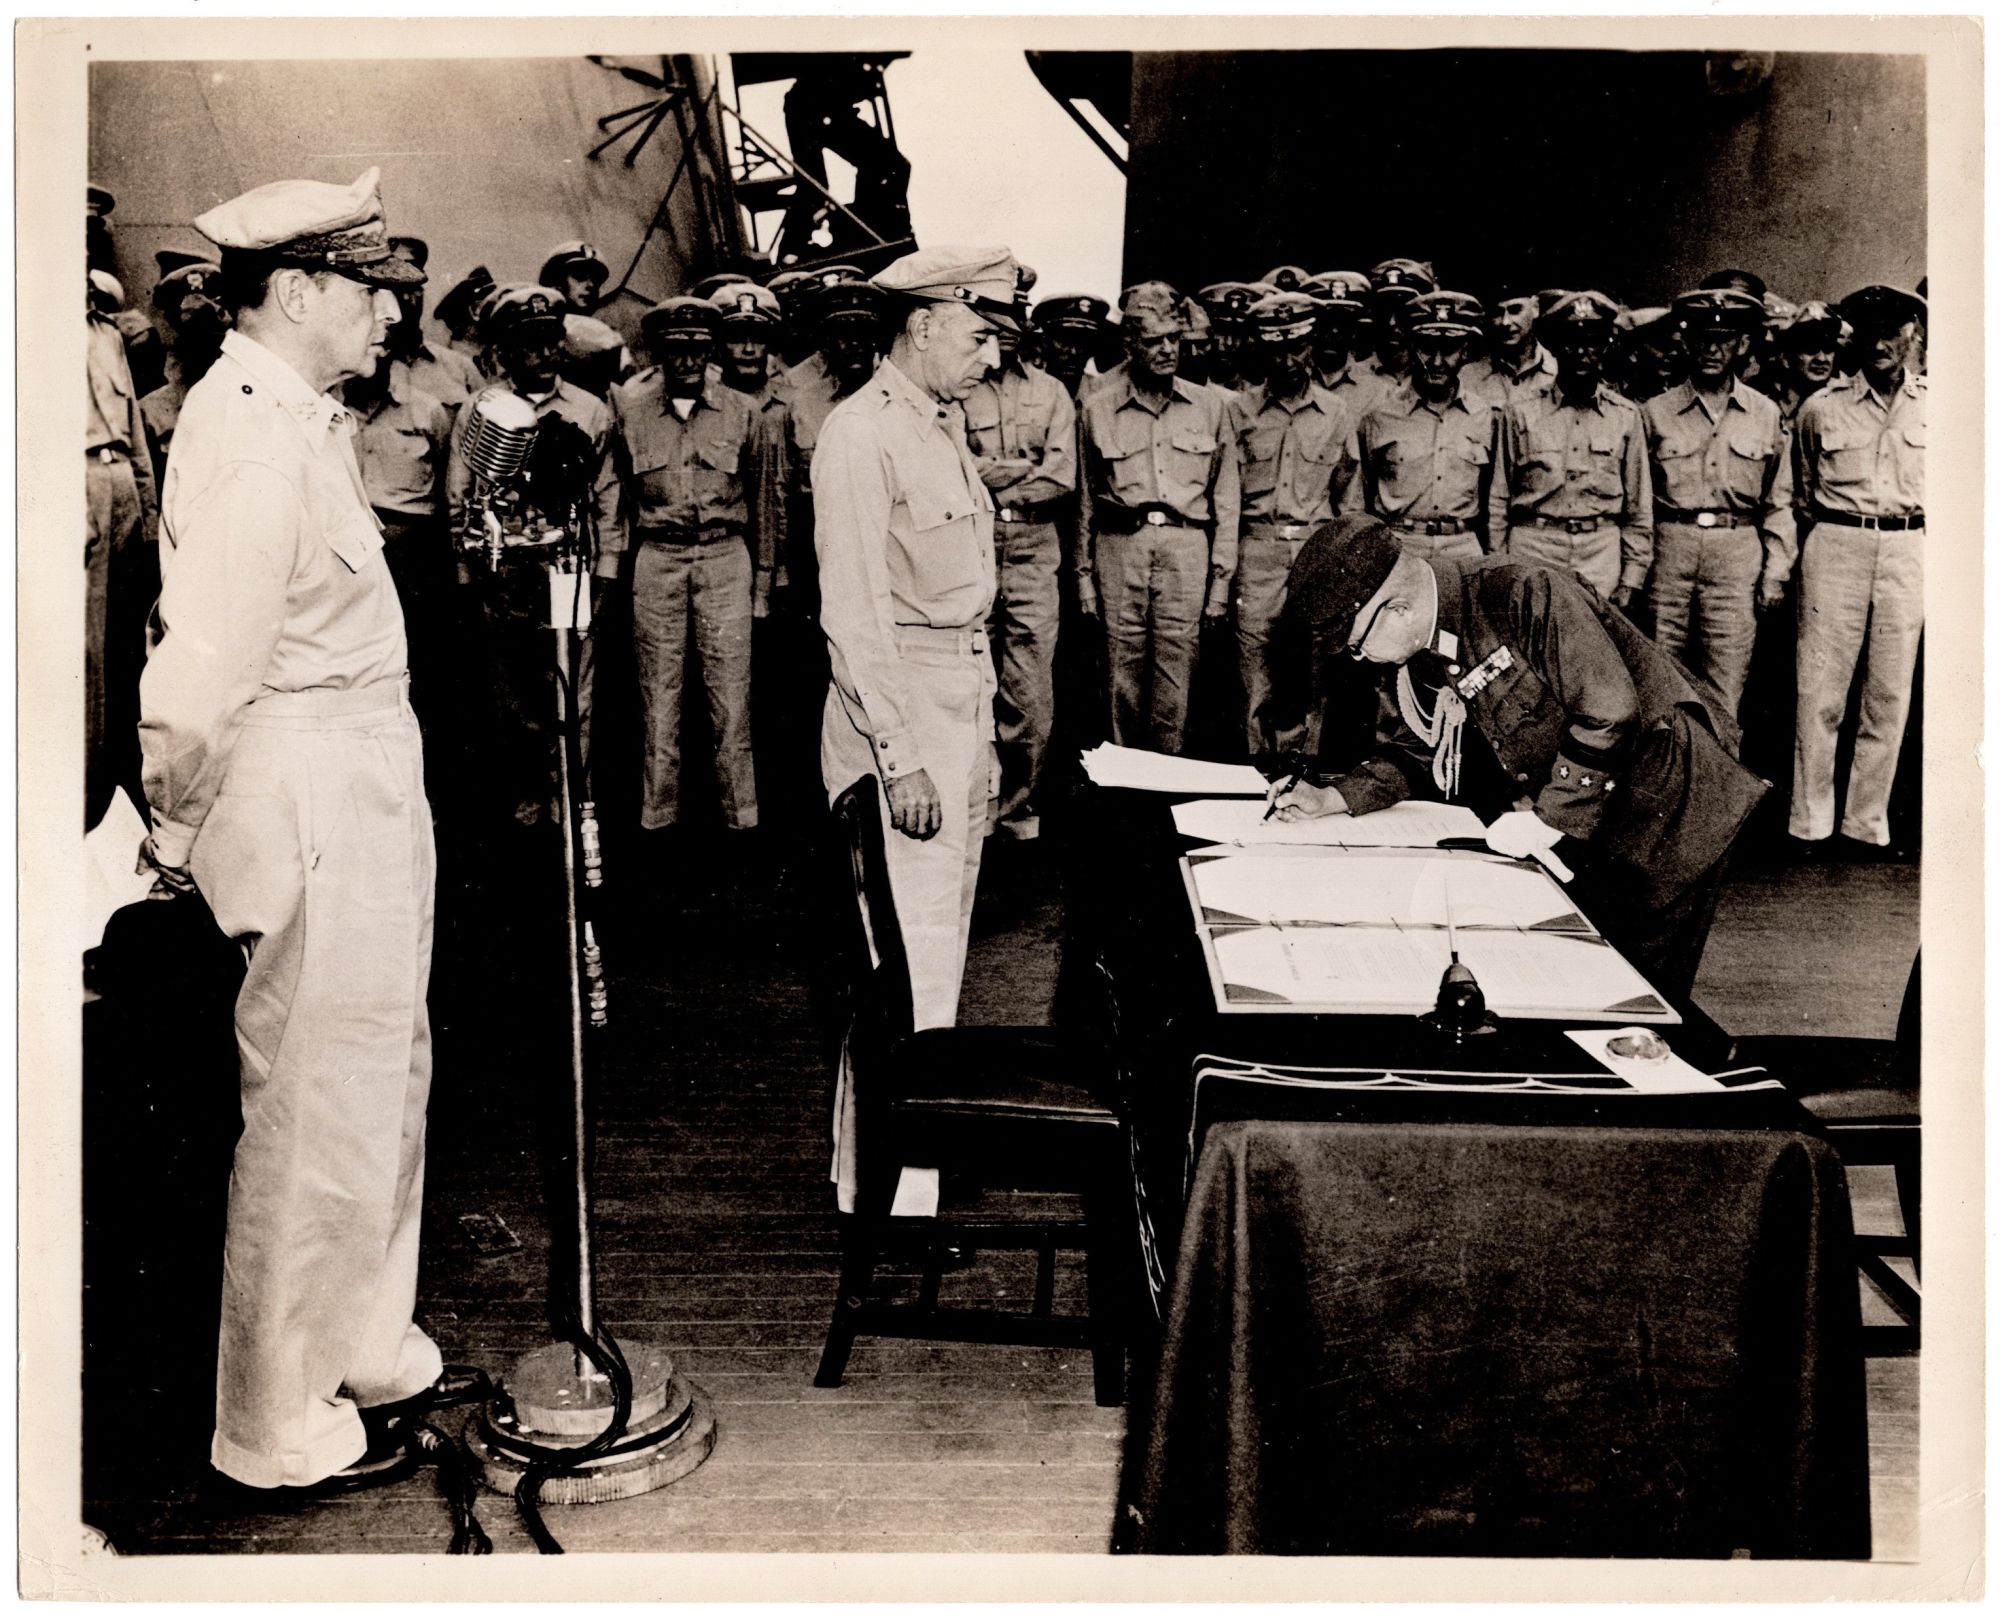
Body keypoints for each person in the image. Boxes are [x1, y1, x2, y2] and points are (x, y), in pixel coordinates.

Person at [135, 167, 479, 1493]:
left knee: (384, 1075)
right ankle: (275, 1414)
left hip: (364, 774)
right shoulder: (252, 430)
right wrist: (173, 831)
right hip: (308, 785)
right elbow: (197, 669)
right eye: (370, 292)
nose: (391, 315)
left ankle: (363, 1338)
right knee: (309, 1107)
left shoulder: (304, 411)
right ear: (298, 293)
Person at [1263, 517, 1765, 999]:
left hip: (1670, 802)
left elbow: (1610, 712)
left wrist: (1550, 820)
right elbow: (1423, 744)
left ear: (1396, 609)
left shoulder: (1521, 592)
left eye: (1356, 646)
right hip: (1594, 810)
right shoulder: (1419, 648)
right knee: (1582, 970)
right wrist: (1337, 797)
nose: (1361, 659)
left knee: (1636, 989)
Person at [813, 244, 1015, 1040]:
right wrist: (899, 758)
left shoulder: (941, 426)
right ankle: (902, 1164)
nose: (991, 359)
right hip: (900, 712)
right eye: (978, 339)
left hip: (958, 704)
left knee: (944, 947)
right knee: (908, 967)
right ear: (923, 326)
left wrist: (984, 743)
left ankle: (923, 1161)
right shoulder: (862, 434)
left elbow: (967, 609)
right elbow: (854, 614)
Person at [598, 296, 779, 836]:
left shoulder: (744, 412)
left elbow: (767, 501)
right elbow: (617, 498)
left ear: (712, 351)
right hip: (659, 557)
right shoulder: (630, 412)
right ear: (658, 353)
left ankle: (741, 817)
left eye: (699, 350)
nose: (688, 363)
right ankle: (659, 818)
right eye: (676, 351)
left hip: (726, 557)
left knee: (731, 695)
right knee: (659, 693)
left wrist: (764, 583)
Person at [444, 285, 623, 829]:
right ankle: (528, 796)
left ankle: (574, 791)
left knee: (573, 687)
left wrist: (607, 569)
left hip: (567, 569)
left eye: (551, 342)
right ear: (505, 351)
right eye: (530, 345)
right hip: (507, 573)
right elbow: (460, 495)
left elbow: (609, 496)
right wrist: (469, 573)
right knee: (514, 689)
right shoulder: (480, 410)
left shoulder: (589, 410)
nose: (545, 355)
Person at [1787, 283, 1926, 858]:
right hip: (1838, 542)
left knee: (1889, 694)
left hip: (1907, 545)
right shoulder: (1823, 406)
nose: (1881, 344)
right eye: (1869, 333)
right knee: (1819, 690)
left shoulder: (1937, 405)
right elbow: (1800, 489)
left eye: (1893, 332)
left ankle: (1865, 825)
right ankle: (1810, 824)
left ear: (1913, 335)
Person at [1076, 280, 1241, 754]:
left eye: (1173, 338)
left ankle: (1165, 790)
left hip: (1187, 550)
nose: (1168, 350)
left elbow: (1226, 504)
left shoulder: (1212, 407)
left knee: (1177, 676)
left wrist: (1219, 589)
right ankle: (1122, 787)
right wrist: (1084, 580)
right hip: (1120, 547)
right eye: (1153, 341)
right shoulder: (1097, 407)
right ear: (1129, 344)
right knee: (1120, 676)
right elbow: (1086, 502)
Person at [1639, 288, 1794, 721]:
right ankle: (1666, 781)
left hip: (1736, 550)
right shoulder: (1655, 413)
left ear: (1742, 345)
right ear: (1686, 343)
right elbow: (1637, 499)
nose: (1711, 349)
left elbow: (1779, 500)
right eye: (1702, 338)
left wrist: (1775, 573)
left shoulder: (1765, 413)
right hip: (1671, 548)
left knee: (1726, 680)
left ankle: (1721, 782)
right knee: (1659, 673)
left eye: (1723, 339)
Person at [963, 284, 1078, 838]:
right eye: (993, 320)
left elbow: (1061, 478)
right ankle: (974, 808)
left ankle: (1019, 811)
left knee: (1030, 688)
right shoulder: (959, 388)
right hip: (975, 541)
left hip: (1034, 547)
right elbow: (953, 468)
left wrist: (990, 472)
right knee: (969, 676)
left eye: (1013, 319)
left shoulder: (1053, 392)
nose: (1004, 331)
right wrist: (1017, 468)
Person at [1231, 290, 1362, 756]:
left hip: (1314, 550)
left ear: (1311, 345)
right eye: (1275, 349)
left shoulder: (1337, 413)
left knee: (1311, 668)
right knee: (1256, 669)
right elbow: (1227, 495)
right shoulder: (1239, 410)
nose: (1287, 360)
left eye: (1296, 347)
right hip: (1257, 550)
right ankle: (1257, 767)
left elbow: (1349, 499)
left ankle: (1304, 768)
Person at [1495, 290, 1653, 609]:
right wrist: (1499, 567)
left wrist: (1631, 578)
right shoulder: (1520, 413)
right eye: (1570, 342)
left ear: (1606, 346)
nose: (1581, 352)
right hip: (1534, 547)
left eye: (1593, 342)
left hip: (1600, 554)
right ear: (1553, 347)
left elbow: (1639, 507)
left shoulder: (1625, 416)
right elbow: (1499, 499)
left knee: (1593, 652)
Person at [86, 249, 160, 829]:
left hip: (118, 493)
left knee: (123, 646)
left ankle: (114, 787)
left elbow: (133, 431)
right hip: (71, 486)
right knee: (83, 655)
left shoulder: (103, 332)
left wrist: (147, 516)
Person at [1353, 289, 1500, 564]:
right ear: (1410, 348)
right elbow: (1360, 496)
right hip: (1400, 545)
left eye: (1449, 350)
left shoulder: (1485, 416)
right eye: (1426, 349)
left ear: (1466, 351)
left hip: (1463, 547)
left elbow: (1495, 496)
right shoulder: (1379, 418)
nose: (1436, 362)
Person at [138, 259, 231, 479]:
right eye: (193, 336)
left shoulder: (251, 403)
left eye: (210, 336)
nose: (202, 350)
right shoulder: (151, 413)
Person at [383, 236, 482, 414]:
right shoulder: (364, 367)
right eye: (397, 291)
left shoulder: (460, 367)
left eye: (414, 288)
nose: (408, 299)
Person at [1466, 279, 1557, 409]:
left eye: (1515, 310)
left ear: (1535, 308)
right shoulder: (1468, 377)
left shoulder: (1558, 371)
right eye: (1497, 313)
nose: (1505, 322)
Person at [1764, 300, 1845, 432]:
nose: (1821, 359)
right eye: (1810, 348)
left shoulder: (1845, 405)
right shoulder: (1764, 404)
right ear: (1786, 357)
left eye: (1828, 348)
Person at [1299, 271, 1373, 408]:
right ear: (1312, 329)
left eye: (1343, 323)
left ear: (1354, 333)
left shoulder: (1375, 388)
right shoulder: (1293, 379)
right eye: (1325, 323)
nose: (1334, 331)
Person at [1030, 292, 1111, 400]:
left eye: (1083, 343)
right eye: (1065, 341)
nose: (1074, 352)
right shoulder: (1027, 388)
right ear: (1045, 341)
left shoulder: (1104, 393)